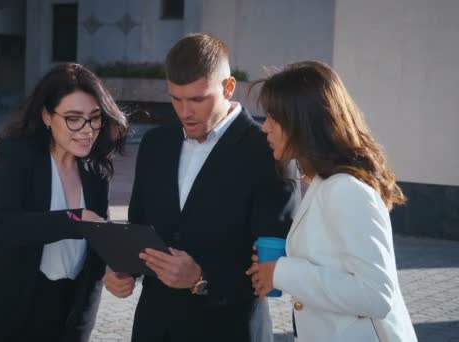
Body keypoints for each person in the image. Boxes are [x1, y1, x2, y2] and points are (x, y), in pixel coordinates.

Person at [104, 33, 298, 342]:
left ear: (228, 87)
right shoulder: (156, 144)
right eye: (176, 98)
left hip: (228, 331)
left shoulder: (268, 151)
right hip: (154, 329)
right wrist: (122, 270)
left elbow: (275, 270)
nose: (184, 112)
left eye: (197, 99)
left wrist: (201, 278)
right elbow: (141, 228)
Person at [0, 63, 128, 341]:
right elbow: (6, 227)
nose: (87, 129)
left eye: (94, 117)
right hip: (2, 316)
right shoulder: (20, 157)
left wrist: (113, 272)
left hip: (64, 316)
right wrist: (75, 220)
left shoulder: (96, 173)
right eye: (73, 118)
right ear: (46, 116)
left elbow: (93, 260)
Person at [248, 60, 417, 341]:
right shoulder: (324, 182)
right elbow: (333, 263)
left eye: (272, 117)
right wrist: (284, 262)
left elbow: (376, 294)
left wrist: (282, 272)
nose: (264, 127)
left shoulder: (346, 190)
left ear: (303, 123)